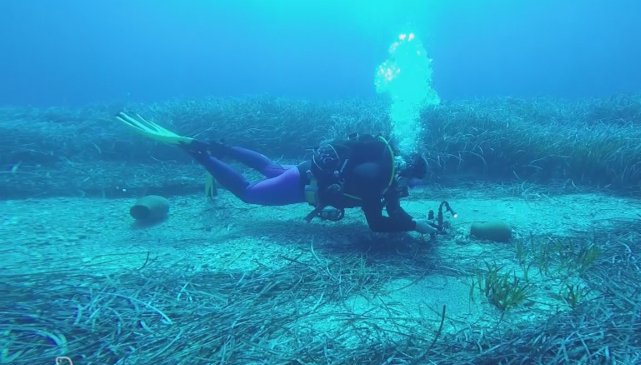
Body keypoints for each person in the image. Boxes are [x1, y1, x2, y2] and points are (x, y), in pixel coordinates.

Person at [116, 112, 438, 234]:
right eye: (412, 180)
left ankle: (216, 147)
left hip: (304, 172)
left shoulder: (381, 169)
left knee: (269, 166)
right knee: (248, 193)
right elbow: (377, 222)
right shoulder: (379, 180)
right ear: (408, 172)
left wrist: (413, 224)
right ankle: (200, 153)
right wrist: (411, 225)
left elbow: (379, 219)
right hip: (302, 185)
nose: (409, 185)